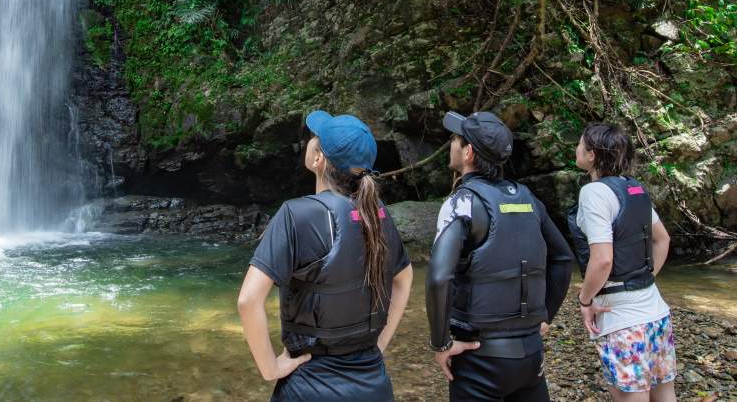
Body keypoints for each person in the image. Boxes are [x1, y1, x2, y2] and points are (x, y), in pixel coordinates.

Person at [237, 110, 414, 402]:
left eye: (313, 138)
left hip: (309, 386)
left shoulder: (296, 214)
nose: (309, 141)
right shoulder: (379, 212)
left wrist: (270, 368)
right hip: (374, 385)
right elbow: (404, 279)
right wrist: (379, 343)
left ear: (319, 158)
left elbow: (248, 301)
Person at [426, 110, 573, 402]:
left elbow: (439, 277)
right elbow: (563, 259)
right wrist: (545, 317)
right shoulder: (527, 197)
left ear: (468, 153)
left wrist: (441, 344)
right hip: (530, 354)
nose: (452, 144)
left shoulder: (462, 202)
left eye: (456, 139)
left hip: (480, 358)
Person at [568, 122, 676, 402]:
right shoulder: (634, 189)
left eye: (580, 144)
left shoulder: (593, 193)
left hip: (622, 320)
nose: (576, 148)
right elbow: (662, 239)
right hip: (656, 312)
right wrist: (644, 278)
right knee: (664, 394)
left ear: (591, 155)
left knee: (631, 397)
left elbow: (603, 260)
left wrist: (585, 300)